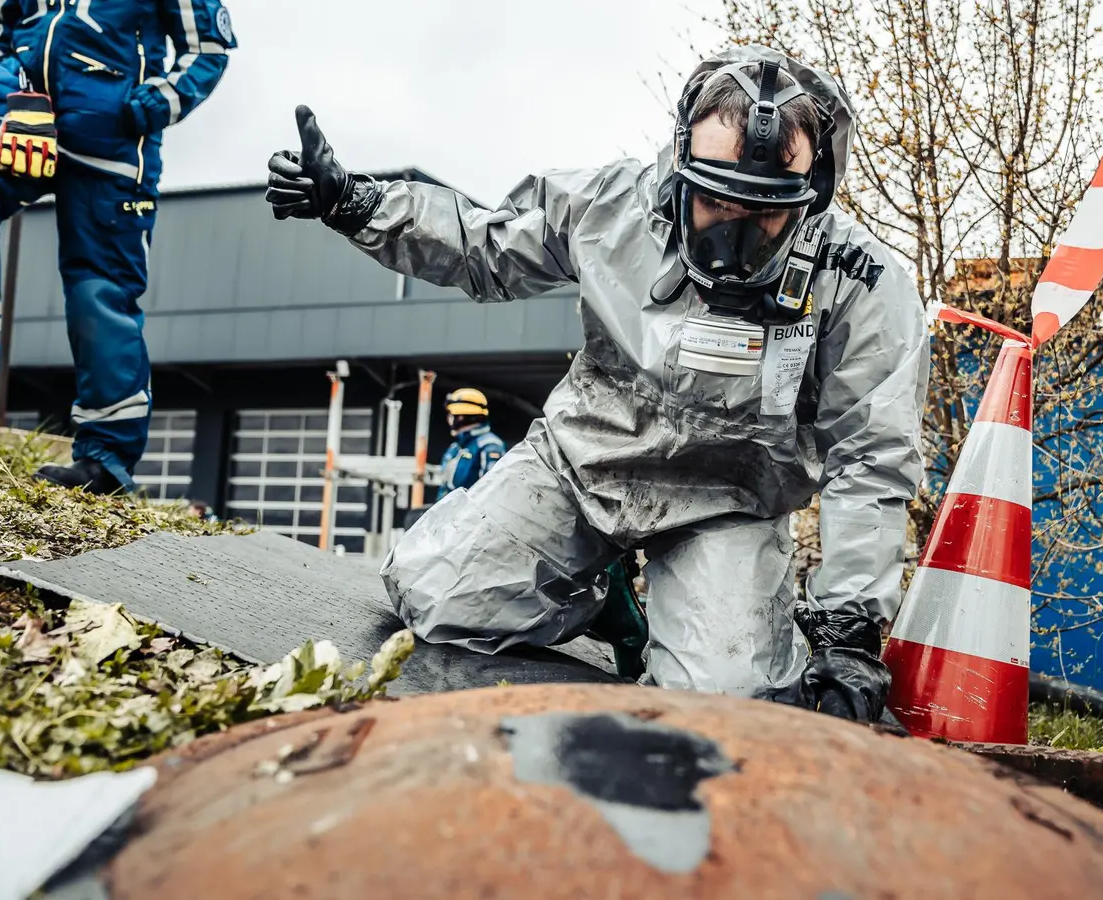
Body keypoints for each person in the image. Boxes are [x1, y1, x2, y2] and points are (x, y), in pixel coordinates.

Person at [264, 46, 927, 723]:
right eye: (716, 204)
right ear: (681, 165)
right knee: (432, 595)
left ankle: (751, 637)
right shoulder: (613, 208)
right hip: (584, 460)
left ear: (807, 196)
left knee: (726, 704)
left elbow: (871, 457)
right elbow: (485, 245)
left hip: (729, 500)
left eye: (762, 214)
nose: (735, 235)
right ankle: (603, 592)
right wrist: (354, 204)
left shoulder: (858, 280)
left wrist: (850, 628)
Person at [0, 0, 237, 495]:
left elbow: (209, 47)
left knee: (99, 295)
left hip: (114, 150)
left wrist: (147, 106)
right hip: (19, 124)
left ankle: (105, 461)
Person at [436, 387, 506, 501]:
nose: (449, 419)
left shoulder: (490, 445)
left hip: (471, 517)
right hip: (449, 515)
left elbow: (492, 491)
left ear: (461, 417)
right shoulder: (456, 447)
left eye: (451, 415)